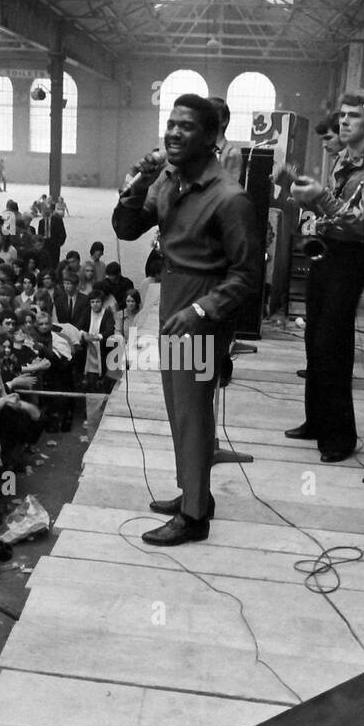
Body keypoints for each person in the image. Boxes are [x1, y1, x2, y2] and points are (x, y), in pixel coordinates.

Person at [112, 93, 259, 546]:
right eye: (170, 123)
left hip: (200, 306)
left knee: (192, 411)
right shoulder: (168, 181)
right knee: (180, 408)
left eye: (187, 126)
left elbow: (248, 276)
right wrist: (139, 181)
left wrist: (200, 312)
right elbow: (126, 227)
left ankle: (194, 517)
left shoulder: (229, 199)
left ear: (212, 137)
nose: (174, 132)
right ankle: (193, 491)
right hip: (175, 297)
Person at [288, 89, 364, 461]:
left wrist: (320, 197)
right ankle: (316, 422)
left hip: (351, 254)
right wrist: (304, 195)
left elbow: (363, 221)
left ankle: (341, 436)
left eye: (353, 116)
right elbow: (333, 209)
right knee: (314, 336)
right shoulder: (344, 159)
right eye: (342, 115)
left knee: (332, 341)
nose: (343, 121)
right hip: (327, 248)